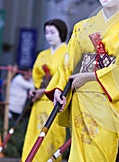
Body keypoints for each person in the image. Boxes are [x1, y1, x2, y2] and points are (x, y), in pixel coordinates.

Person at [45, 0, 119, 162]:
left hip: (107, 102)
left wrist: (89, 76)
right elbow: (68, 62)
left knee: (100, 153)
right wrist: (58, 88)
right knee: (78, 155)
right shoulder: (82, 27)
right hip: (81, 98)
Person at [21, 19, 68, 162]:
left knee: (51, 137)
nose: (49, 36)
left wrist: (45, 91)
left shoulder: (67, 53)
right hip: (38, 102)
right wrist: (34, 91)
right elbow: (36, 78)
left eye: (52, 32)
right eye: (46, 32)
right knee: (33, 135)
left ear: (61, 33)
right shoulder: (42, 54)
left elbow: (65, 76)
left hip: (55, 101)